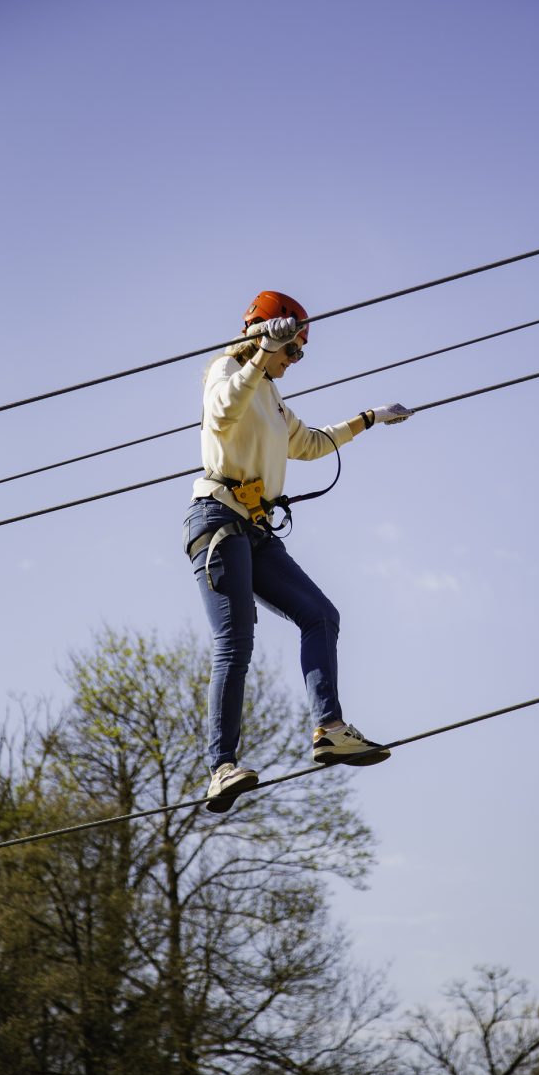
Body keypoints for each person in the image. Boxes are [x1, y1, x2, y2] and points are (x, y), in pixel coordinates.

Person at [183, 290, 414, 813]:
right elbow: (222, 411)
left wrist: (370, 418)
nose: (294, 360)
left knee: (321, 615)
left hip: (256, 527)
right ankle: (221, 767)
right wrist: (263, 353)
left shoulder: (270, 393)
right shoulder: (226, 371)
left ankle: (330, 729)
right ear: (264, 335)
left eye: (297, 352)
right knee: (236, 642)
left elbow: (307, 444)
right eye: (292, 349)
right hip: (218, 518)